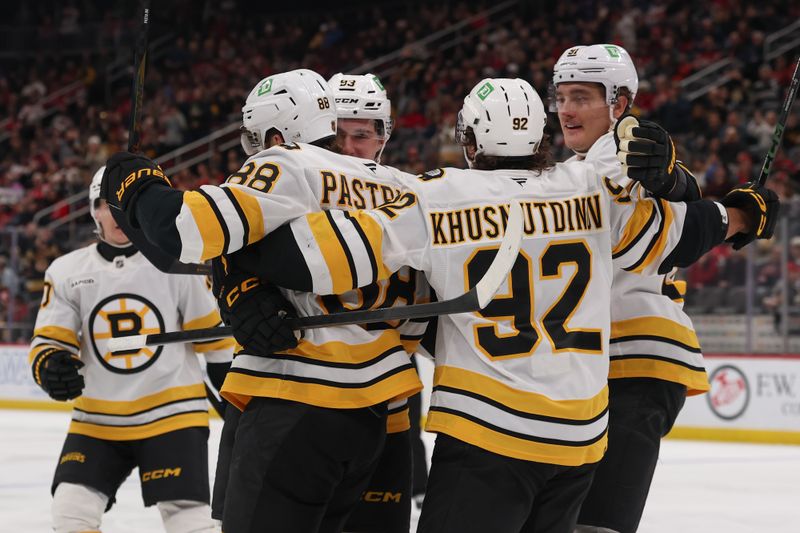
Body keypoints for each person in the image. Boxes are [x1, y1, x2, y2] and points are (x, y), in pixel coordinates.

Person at [218, 77, 778, 532]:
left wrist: (233, 264)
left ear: (469, 141)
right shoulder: (588, 187)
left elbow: (313, 257)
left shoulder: (434, 193)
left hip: (487, 434)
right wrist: (740, 214)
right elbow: (678, 234)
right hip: (579, 440)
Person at [101, 68, 424, 533]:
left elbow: (190, 231)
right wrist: (238, 285)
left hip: (293, 398)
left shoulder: (290, 164)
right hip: (382, 413)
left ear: (276, 132)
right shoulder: (405, 188)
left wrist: (138, 187)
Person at [552, 44, 708, 533]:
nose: (567, 110)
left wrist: (671, 179)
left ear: (618, 102)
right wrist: (682, 185)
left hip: (635, 360)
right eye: (561, 97)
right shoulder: (576, 166)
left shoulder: (627, 149)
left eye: (581, 96)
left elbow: (646, 165)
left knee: (596, 524)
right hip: (592, 365)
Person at [29, 167, 233, 533]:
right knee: (71, 512)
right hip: (97, 420)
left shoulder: (179, 266)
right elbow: (50, 340)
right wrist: (51, 364)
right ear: (94, 211)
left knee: (190, 521)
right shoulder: (66, 271)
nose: (117, 214)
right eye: (108, 205)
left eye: (127, 203)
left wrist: (234, 396)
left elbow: (216, 341)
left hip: (172, 416)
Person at [329, 71, 431, 533]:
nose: (347, 149)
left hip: (386, 389)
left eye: (361, 136)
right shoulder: (287, 186)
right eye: (337, 135)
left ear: (383, 137)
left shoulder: (416, 197)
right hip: (302, 394)